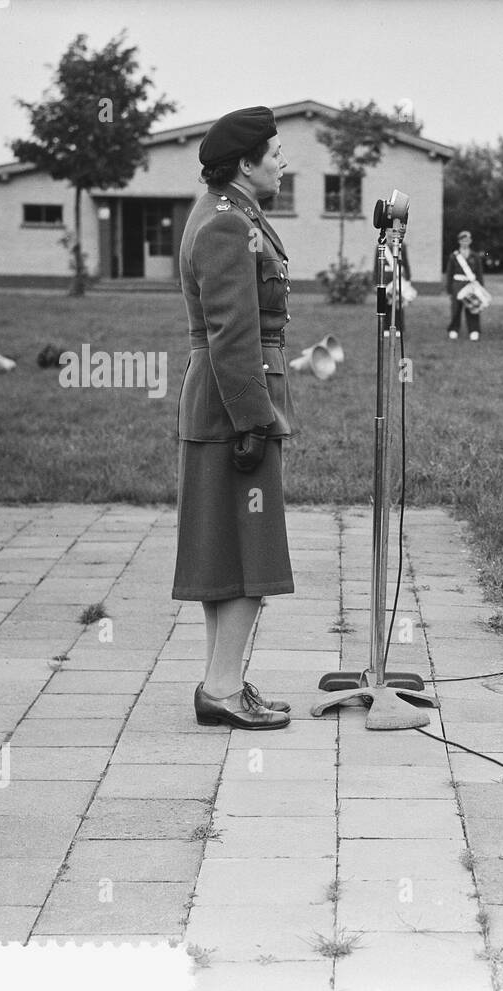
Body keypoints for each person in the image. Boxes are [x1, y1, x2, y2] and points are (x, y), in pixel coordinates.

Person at [174, 105, 295, 731]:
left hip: (226, 400)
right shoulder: (226, 223)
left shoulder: (229, 210)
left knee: (226, 550)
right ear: (246, 165)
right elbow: (231, 332)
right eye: (275, 152)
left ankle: (221, 683)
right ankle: (220, 689)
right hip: (234, 404)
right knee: (249, 551)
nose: (283, 161)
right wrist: (255, 418)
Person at [445, 230, 485, 341]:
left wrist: (480, 287)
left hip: (471, 284)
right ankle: (454, 329)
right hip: (457, 284)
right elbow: (449, 273)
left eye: (467, 240)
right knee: (456, 308)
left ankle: (474, 330)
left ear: (470, 241)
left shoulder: (475, 256)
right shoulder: (454, 256)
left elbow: (479, 273)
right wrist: (449, 288)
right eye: (463, 240)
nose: (465, 242)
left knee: (472, 306)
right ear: (459, 241)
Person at [373, 240, 411, 338]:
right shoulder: (381, 246)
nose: (390, 233)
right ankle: (385, 327)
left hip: (397, 277)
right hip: (384, 278)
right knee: (384, 304)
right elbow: (376, 265)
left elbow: (405, 263)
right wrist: (375, 282)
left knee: (398, 304)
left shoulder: (402, 246)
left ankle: (398, 327)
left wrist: (408, 278)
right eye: (388, 231)